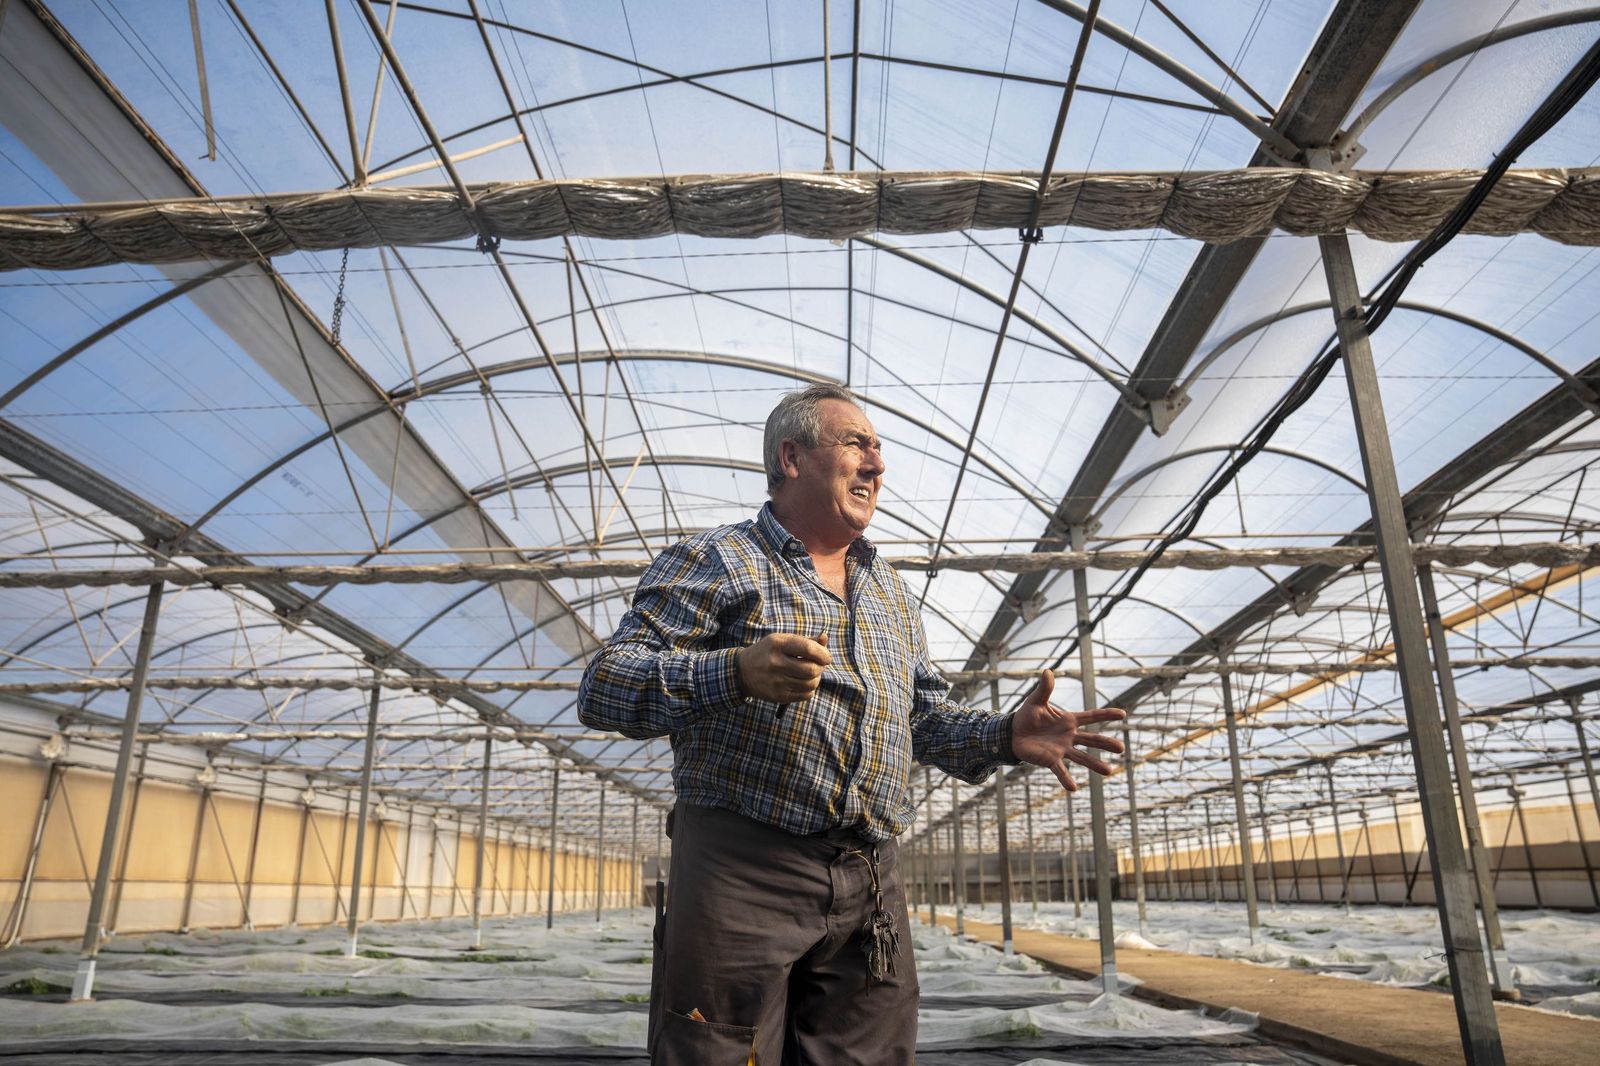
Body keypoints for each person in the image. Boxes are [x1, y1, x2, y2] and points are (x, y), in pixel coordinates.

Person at [578, 384, 1125, 1064]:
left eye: (878, 450)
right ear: (793, 457)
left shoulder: (888, 591)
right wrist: (735, 672)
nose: (877, 465)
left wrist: (1002, 737)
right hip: (742, 870)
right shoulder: (718, 559)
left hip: (870, 876)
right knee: (718, 1050)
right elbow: (604, 687)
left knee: (866, 1053)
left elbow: (921, 720)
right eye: (856, 444)